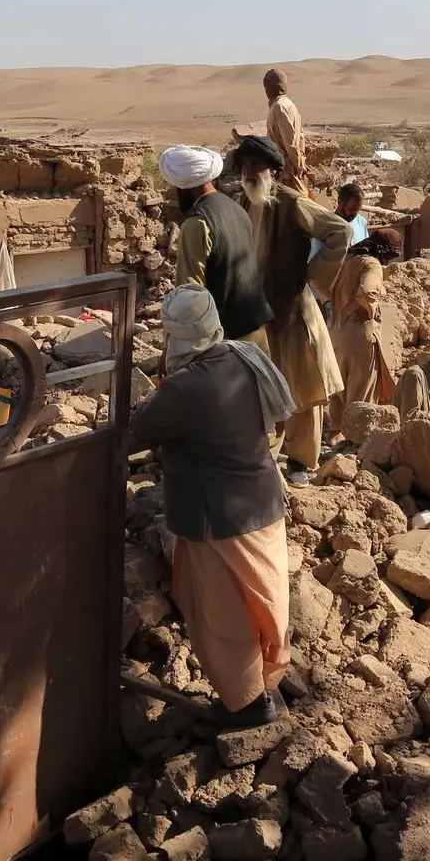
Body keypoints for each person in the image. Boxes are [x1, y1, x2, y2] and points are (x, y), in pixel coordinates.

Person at [130, 286, 296, 727]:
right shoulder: (243, 356)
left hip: (218, 519)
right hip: (262, 503)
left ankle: (246, 707)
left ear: (175, 336)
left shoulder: (185, 387)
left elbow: (136, 432)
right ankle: (266, 685)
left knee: (223, 615)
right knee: (265, 601)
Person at [229, 133, 351, 482]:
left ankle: (301, 461)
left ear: (273, 170)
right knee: (268, 383)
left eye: (257, 166)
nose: (250, 172)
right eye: (246, 166)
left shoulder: (291, 202)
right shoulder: (244, 200)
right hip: (260, 311)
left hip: (294, 310)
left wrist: (312, 276)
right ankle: (268, 458)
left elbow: (339, 232)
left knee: (304, 386)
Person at [160, 145, 272, 343]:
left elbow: (190, 295)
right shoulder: (236, 208)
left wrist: (173, 346)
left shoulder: (197, 223)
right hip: (257, 328)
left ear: (184, 187)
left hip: (228, 340)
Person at [327, 229, 405, 424]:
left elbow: (323, 288)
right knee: (361, 390)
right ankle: (356, 438)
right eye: (390, 255)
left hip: (336, 331)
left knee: (339, 388)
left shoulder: (346, 262)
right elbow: (367, 291)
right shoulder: (372, 264)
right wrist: (372, 312)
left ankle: (336, 435)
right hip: (359, 332)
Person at [263, 68, 306, 191]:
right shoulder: (287, 104)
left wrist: (298, 165)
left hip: (285, 170)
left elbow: (290, 142)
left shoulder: (280, 107)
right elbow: (300, 136)